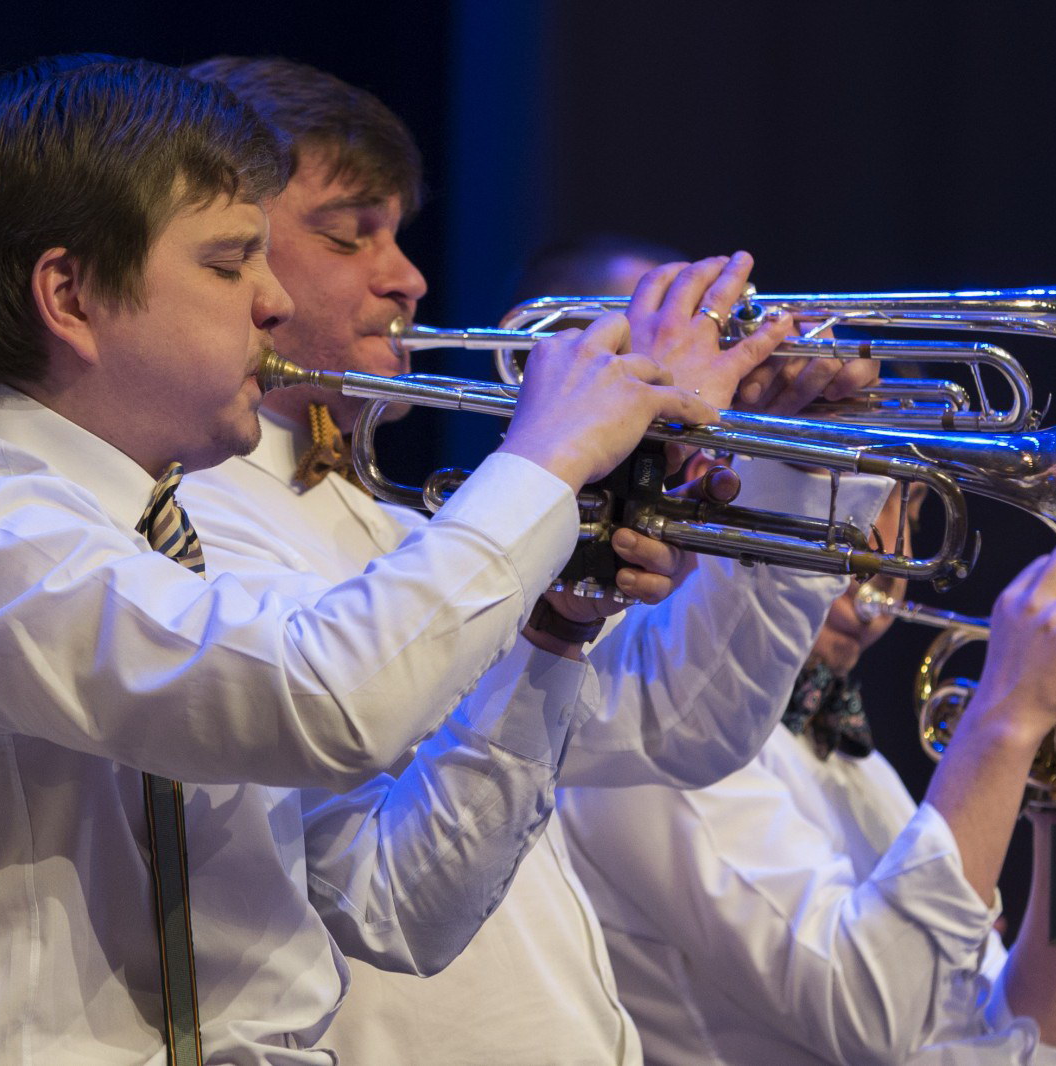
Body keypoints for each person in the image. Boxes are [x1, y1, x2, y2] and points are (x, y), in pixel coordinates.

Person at [0, 56, 720, 1063]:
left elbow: (401, 907)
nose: (270, 303)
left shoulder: (152, 545)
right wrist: (546, 456)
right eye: (227, 263)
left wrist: (550, 631)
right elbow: (329, 699)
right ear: (70, 297)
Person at [179, 57, 887, 1064]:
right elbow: (389, 895)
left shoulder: (380, 515)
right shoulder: (195, 524)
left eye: (397, 233)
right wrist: (555, 460)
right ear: (227, 253)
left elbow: (673, 721)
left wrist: (790, 468)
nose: (408, 277)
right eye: (350, 233)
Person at [559, 461, 1056, 1066]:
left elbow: (1028, 1057)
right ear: (717, 477)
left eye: (915, 516)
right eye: (860, 510)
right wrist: (1007, 719)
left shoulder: (859, 771)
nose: (888, 572)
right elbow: (882, 1017)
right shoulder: (654, 734)